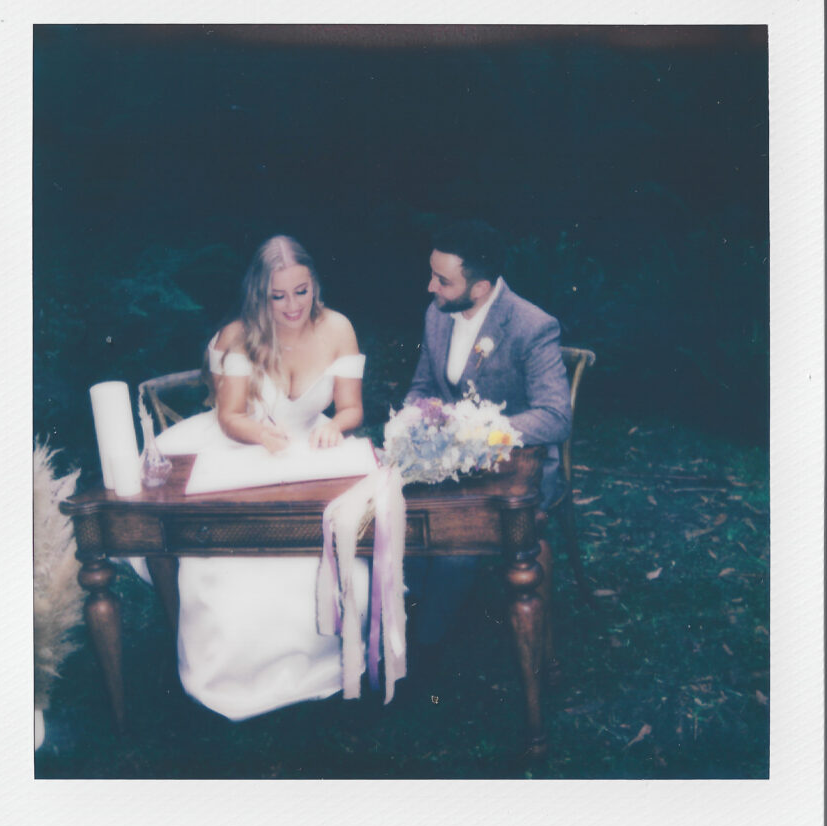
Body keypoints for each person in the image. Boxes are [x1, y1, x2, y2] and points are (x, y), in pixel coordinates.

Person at [151, 235, 370, 721]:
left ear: (315, 285)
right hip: (243, 444)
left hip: (311, 451)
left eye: (302, 291)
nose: (292, 306)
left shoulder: (338, 328)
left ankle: (326, 668)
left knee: (338, 554)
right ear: (260, 294)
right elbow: (230, 415)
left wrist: (334, 423)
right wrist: (259, 433)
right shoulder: (239, 335)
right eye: (279, 296)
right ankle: (233, 682)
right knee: (233, 566)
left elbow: (352, 406)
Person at [405, 220, 572, 646]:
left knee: (454, 552)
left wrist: (476, 431)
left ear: (479, 288)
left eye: (442, 281)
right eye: (431, 274)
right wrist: (410, 426)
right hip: (448, 465)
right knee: (397, 525)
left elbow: (555, 416)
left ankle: (420, 659)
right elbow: (423, 389)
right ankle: (396, 631)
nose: (430, 287)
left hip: (515, 471)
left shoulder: (531, 326)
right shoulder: (437, 315)